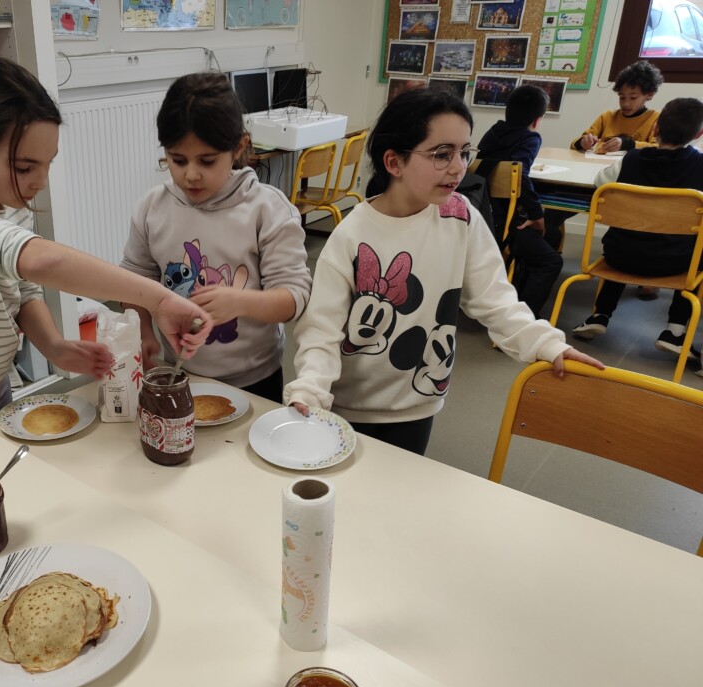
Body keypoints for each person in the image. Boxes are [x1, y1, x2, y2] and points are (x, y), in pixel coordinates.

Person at [0, 58, 212, 441]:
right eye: (24, 168)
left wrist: (54, 346)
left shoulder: (5, 200)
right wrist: (159, 299)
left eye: (47, 165)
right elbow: (40, 261)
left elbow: (24, 290)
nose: (40, 183)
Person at [283, 89, 603, 455]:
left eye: (464, 152)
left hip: (419, 403)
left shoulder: (460, 216)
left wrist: (547, 344)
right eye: (441, 154)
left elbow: (495, 300)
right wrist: (309, 390)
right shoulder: (353, 234)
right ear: (394, 162)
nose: (458, 167)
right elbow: (321, 330)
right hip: (346, 407)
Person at [120, 72, 312, 402]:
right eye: (177, 160)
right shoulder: (153, 208)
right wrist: (142, 330)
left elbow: (294, 299)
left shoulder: (266, 209)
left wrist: (240, 302)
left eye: (207, 161)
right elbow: (134, 281)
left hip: (255, 378)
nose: (191, 174)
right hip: (181, 373)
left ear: (239, 147)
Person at [570, 97, 703, 364]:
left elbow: (600, 183)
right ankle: (675, 331)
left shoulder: (630, 159)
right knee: (699, 252)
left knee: (626, 236)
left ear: (655, 129)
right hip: (675, 264)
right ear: (698, 135)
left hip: (620, 257)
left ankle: (600, 315)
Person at [544, 61, 665, 298]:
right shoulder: (607, 117)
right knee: (553, 211)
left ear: (649, 95)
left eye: (633, 98)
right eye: (622, 97)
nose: (626, 103)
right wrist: (584, 142)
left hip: (629, 188)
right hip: (595, 181)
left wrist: (629, 143)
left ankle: (647, 276)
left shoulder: (656, 119)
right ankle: (545, 256)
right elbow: (576, 143)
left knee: (642, 223)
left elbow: (658, 148)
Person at [476, 83, 563, 318]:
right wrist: (537, 215)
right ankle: (522, 318)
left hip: (484, 215)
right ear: (537, 120)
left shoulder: (494, 132)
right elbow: (520, 174)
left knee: (552, 235)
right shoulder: (530, 138)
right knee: (551, 261)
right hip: (505, 224)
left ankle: (514, 293)